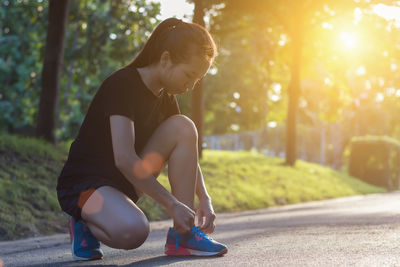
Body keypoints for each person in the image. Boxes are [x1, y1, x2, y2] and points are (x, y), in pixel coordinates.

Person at [56, 17, 228, 261]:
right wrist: (172, 204)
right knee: (134, 232)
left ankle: (184, 235)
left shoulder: (166, 96)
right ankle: (82, 221)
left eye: (197, 80)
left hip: (124, 184)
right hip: (85, 187)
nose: (191, 85)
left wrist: (204, 198)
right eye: (189, 75)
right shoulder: (122, 85)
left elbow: (185, 148)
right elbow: (124, 158)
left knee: (183, 126)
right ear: (166, 59)